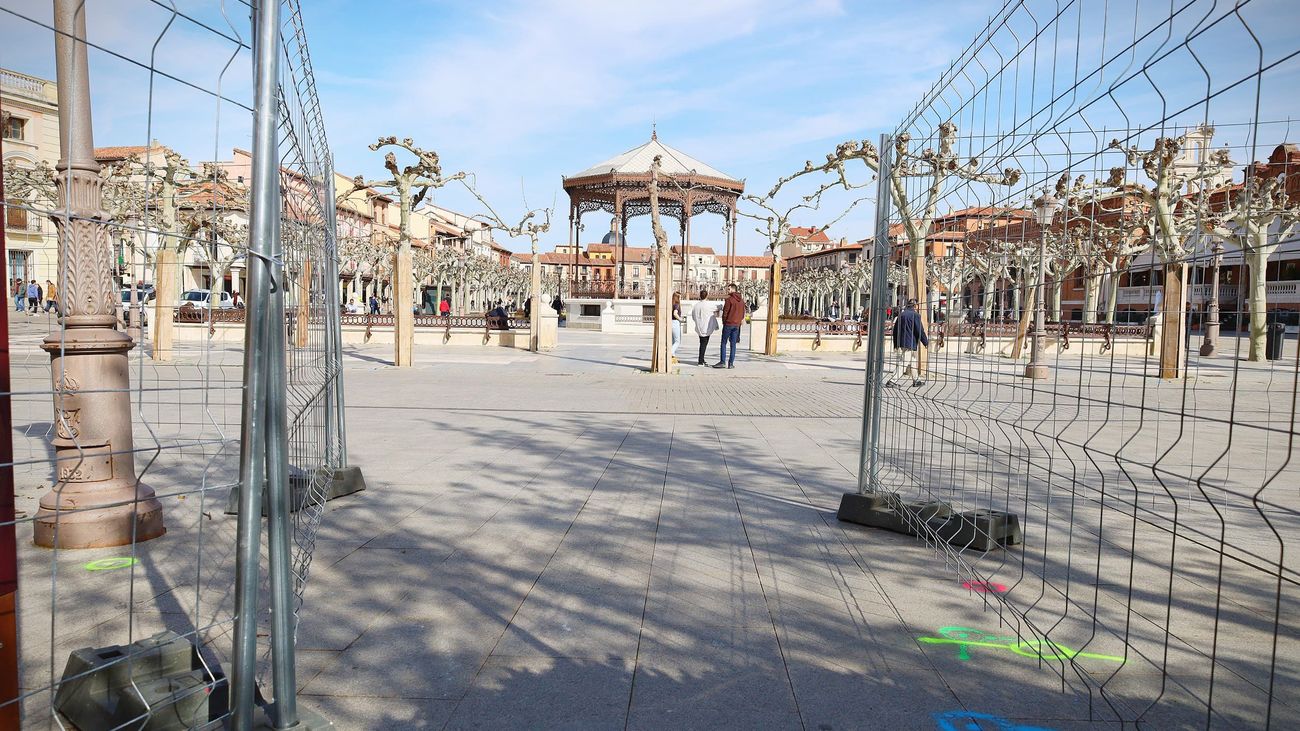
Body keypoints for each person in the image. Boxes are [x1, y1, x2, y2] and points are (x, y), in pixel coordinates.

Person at [887, 298, 929, 387]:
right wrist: (925, 342)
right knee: (904, 362)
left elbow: (895, 330)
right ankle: (892, 380)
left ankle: (916, 380)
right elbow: (919, 330)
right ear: (915, 306)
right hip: (910, 343)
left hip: (902, 342)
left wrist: (896, 343)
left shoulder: (901, 315)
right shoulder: (915, 315)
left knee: (913, 360)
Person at [713, 284, 745, 369]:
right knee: (733, 344)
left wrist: (724, 322)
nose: (727, 290)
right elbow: (742, 313)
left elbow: (725, 313)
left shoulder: (729, 300)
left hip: (729, 324)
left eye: (729, 289)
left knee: (723, 343)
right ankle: (731, 363)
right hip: (736, 325)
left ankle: (722, 362)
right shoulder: (741, 301)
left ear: (733, 289)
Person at [692, 287, 719, 366]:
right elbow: (717, 308)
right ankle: (700, 361)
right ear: (707, 296)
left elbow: (693, 317)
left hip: (699, 327)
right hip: (706, 327)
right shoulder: (708, 305)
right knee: (704, 344)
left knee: (702, 343)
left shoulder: (696, 306)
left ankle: (702, 359)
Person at [670, 292, 683, 364]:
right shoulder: (677, 305)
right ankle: (670, 353)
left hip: (670, 322)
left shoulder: (671, 304)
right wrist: (680, 319)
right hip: (675, 323)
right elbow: (675, 313)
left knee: (673, 341)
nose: (680, 299)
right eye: (680, 297)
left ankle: (673, 357)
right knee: (677, 341)